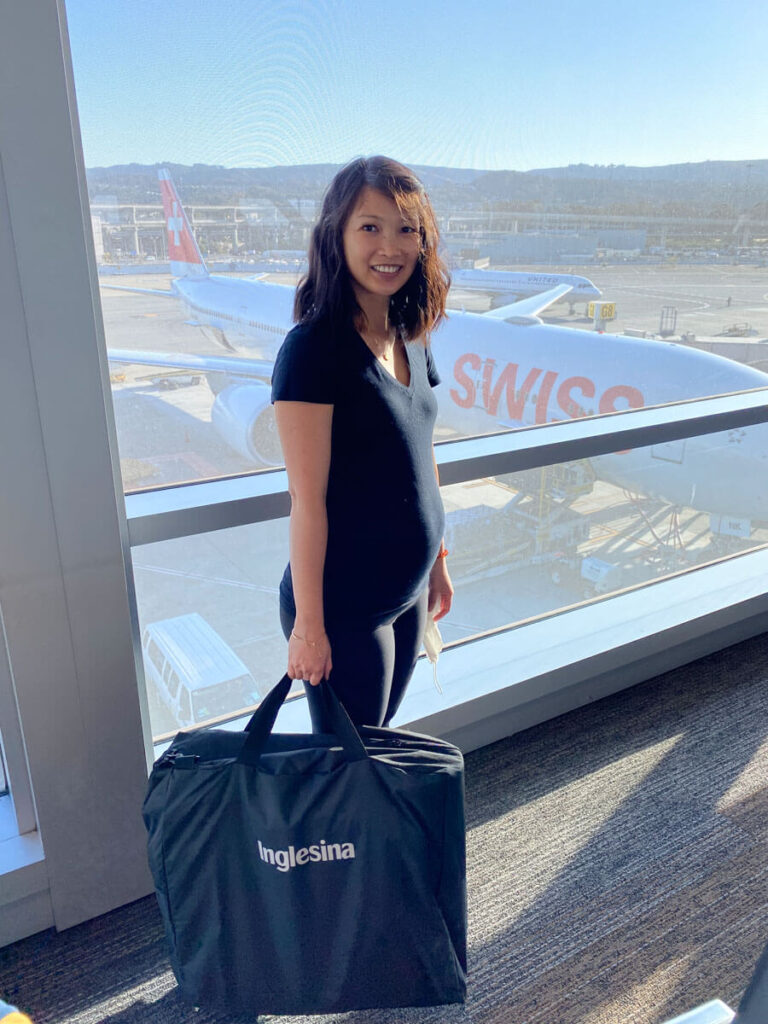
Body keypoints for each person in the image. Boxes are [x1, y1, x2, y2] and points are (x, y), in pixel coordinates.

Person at [270, 155, 453, 730]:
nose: (390, 246)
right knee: (349, 777)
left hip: (407, 595)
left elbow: (422, 456)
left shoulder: (411, 336)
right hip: (345, 612)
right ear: (337, 236)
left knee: (368, 756)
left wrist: (438, 563)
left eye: (406, 229)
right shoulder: (313, 351)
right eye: (369, 227)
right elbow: (307, 501)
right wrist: (308, 627)